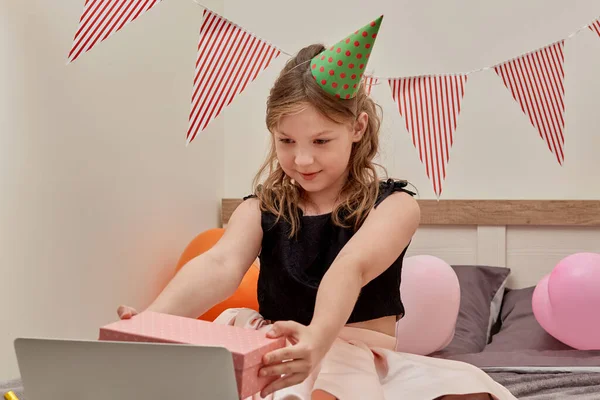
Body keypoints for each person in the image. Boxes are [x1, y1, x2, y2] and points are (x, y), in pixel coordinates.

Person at [117, 15, 516, 400]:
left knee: (469, 390)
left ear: (357, 128)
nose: (302, 160)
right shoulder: (261, 208)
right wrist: (151, 322)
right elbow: (219, 264)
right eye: (286, 141)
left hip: (355, 351)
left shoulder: (394, 207)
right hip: (274, 344)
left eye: (320, 141)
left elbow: (350, 267)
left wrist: (318, 338)